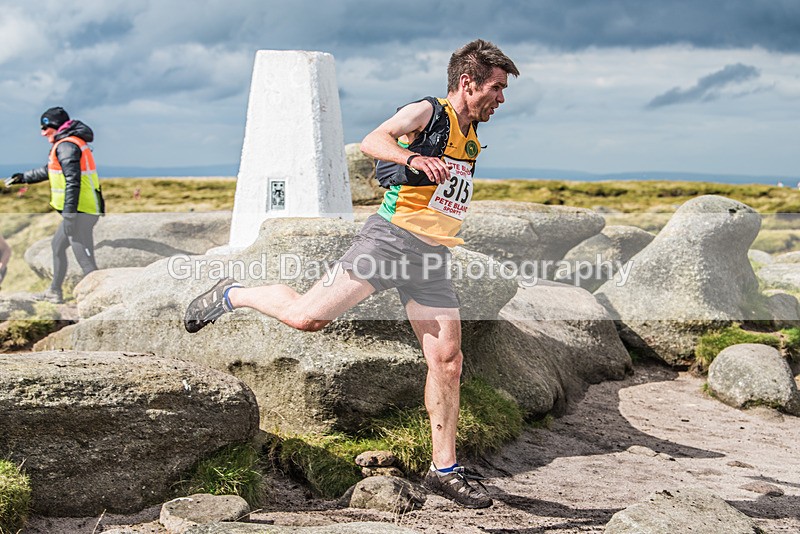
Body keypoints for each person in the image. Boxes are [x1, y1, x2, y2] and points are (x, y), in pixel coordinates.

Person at [184, 39, 518, 508]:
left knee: (448, 360)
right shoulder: (429, 111)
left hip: (431, 256)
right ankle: (235, 293)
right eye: (497, 88)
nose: (501, 99)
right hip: (388, 242)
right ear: (468, 82)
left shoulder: (470, 131)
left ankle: (444, 469)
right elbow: (373, 141)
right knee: (306, 318)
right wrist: (412, 158)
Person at [4, 107, 105, 303]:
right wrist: (24, 177)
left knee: (83, 256)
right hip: (81, 209)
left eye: (45, 127)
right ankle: (54, 291)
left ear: (55, 126)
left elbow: (72, 182)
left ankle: (98, 297)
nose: (42, 133)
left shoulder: (67, 145)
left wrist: (69, 216)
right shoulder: (66, 144)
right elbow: (50, 170)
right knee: (58, 246)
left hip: (80, 211)